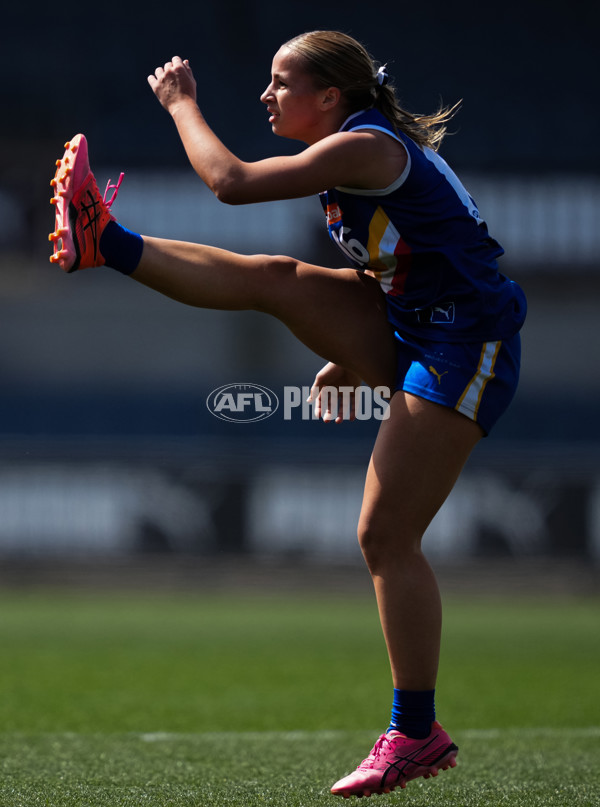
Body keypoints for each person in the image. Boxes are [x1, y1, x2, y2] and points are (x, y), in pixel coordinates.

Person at [48, 30, 526, 797]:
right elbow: (400, 262)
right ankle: (109, 241)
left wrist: (181, 104)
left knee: (384, 533)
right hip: (421, 326)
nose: (267, 96)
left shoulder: (362, 150)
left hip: (466, 348)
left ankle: (415, 734)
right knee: (275, 276)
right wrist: (353, 347)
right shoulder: (353, 153)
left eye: (282, 82)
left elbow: (230, 182)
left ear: (330, 97)